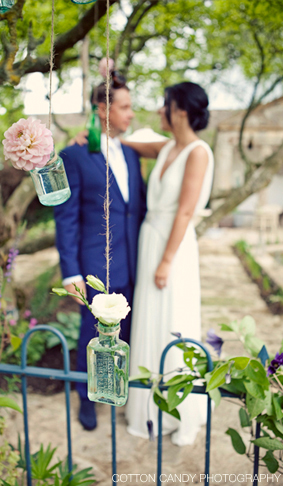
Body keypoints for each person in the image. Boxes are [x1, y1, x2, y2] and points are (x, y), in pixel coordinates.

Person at [53, 73, 146, 431]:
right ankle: (85, 398)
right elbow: (66, 218)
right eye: (124, 107)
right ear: (102, 109)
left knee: (128, 334)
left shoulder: (132, 153)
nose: (131, 114)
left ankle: (120, 391)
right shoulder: (74, 155)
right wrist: (71, 272)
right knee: (90, 335)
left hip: (134, 262)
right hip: (94, 267)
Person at [123, 81, 214, 446]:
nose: (159, 111)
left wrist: (165, 262)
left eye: (164, 105)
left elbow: (186, 211)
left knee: (174, 321)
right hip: (150, 238)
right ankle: (147, 408)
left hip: (173, 248)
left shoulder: (197, 151)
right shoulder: (167, 147)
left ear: (179, 110)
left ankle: (178, 412)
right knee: (149, 321)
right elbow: (127, 144)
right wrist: (95, 135)